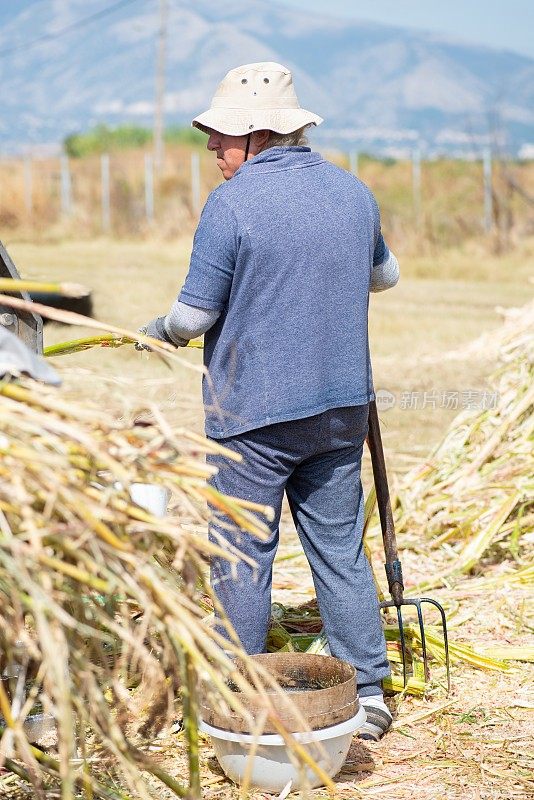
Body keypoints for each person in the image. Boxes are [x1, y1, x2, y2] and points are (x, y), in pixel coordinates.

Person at [140, 62, 400, 740]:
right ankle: (367, 695)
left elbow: (193, 319)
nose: (211, 150)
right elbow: (386, 276)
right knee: (339, 549)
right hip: (342, 408)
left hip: (252, 415)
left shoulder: (231, 204)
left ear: (257, 135)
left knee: (239, 552)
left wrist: (156, 333)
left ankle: (236, 691)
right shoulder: (353, 191)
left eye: (220, 137)